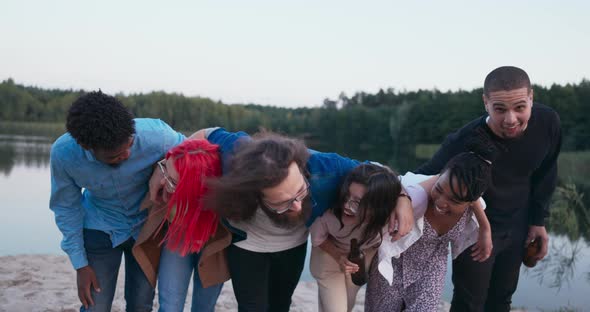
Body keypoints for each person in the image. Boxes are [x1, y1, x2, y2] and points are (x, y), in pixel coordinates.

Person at [150, 128, 415, 312]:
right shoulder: (236, 156)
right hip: (246, 246)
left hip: (292, 245)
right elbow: (206, 134)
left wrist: (402, 198)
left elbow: (378, 172)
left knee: (280, 304)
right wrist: (166, 167)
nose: (298, 205)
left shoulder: (326, 167)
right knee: (252, 307)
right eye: (283, 203)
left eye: (300, 192)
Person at [414, 66, 562, 311]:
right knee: (469, 303)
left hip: (518, 225)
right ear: (486, 102)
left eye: (520, 107)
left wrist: (538, 221)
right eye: (500, 109)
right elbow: (422, 176)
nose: (510, 119)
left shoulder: (548, 122)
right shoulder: (465, 140)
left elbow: (547, 172)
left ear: (531, 98)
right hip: (474, 231)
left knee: (502, 300)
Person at [49, 91, 184, 311]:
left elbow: (191, 154)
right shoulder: (64, 155)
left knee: (141, 304)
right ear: (87, 147)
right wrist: (80, 264)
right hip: (99, 227)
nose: (127, 154)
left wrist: (165, 167)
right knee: (96, 306)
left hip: (146, 228)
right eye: (115, 156)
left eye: (130, 144)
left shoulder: (158, 135)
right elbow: (66, 207)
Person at [365, 134, 495, 312]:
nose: (441, 202)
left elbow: (477, 203)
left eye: (454, 200)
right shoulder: (414, 192)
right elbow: (380, 172)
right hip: (394, 262)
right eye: (439, 189)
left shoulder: (473, 201)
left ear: (470, 201)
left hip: (431, 269)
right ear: (440, 175)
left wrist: (485, 229)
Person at [134, 139, 226, 312]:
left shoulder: (220, 192)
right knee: (169, 304)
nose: (163, 182)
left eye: (173, 182)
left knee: (205, 307)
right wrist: (161, 170)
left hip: (213, 241)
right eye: (165, 173)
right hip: (177, 235)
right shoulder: (169, 171)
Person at [309, 163, 403, 312]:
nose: (346, 205)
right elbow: (318, 239)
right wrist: (339, 256)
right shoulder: (327, 213)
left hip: (360, 258)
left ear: (379, 207)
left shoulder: (391, 217)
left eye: (357, 202)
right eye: (346, 196)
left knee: (348, 304)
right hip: (328, 254)